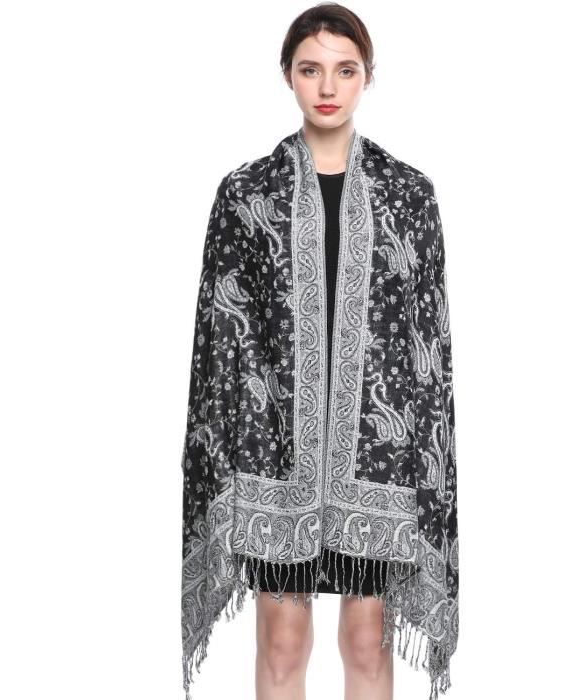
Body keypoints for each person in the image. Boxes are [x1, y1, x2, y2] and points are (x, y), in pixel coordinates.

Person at [180, 5, 459, 700]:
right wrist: (233, 450)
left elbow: (429, 344)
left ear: (368, 76)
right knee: (282, 641)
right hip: (274, 452)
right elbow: (221, 339)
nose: (327, 87)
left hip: (378, 462)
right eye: (311, 70)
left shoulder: (410, 195)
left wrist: (424, 459)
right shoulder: (246, 194)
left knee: (367, 640)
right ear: (288, 75)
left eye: (345, 70)